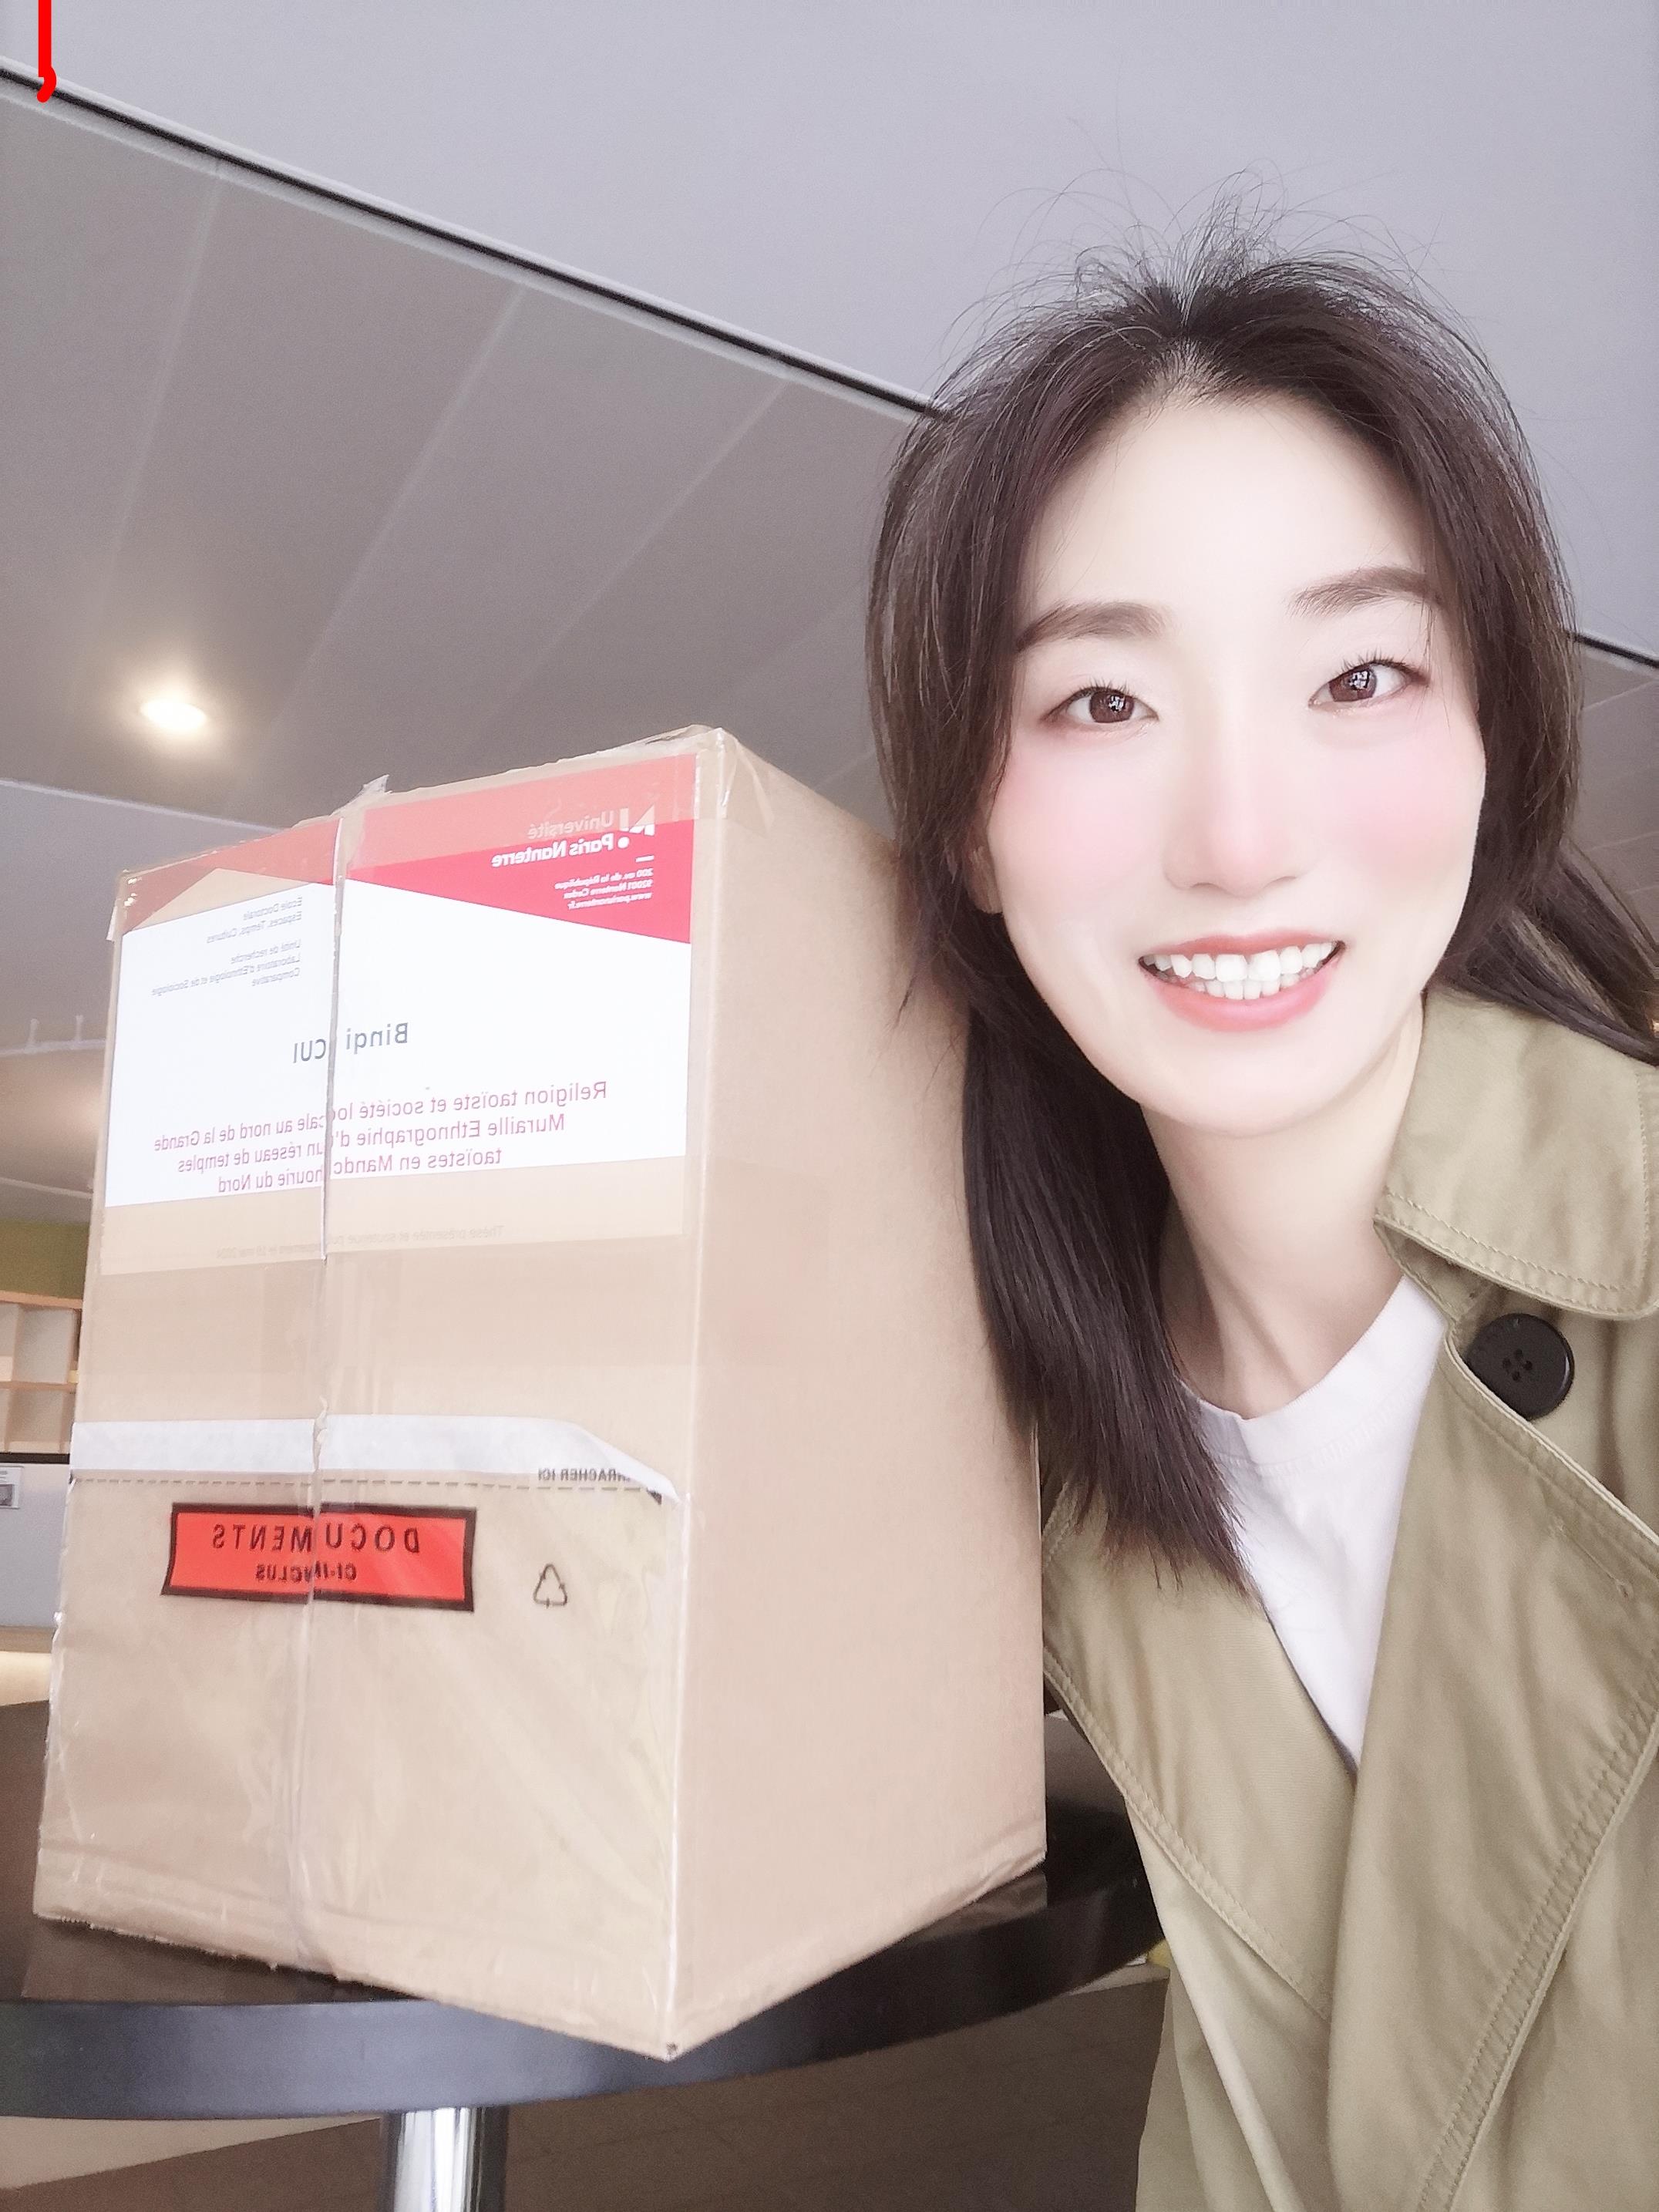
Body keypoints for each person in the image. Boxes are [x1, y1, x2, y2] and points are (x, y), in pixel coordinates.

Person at [865, 208, 1659, 2210]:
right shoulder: (1047, 1459)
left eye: (1361, 674)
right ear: (969, 820)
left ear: (1490, 744)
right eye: (1102, 704)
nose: (1236, 839)